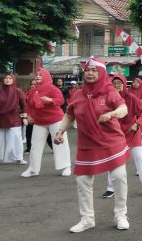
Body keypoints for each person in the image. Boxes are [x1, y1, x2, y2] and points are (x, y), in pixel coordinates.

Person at [54, 57, 131, 232]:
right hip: (87, 145)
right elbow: (69, 115)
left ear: (102, 73)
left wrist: (111, 114)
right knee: (82, 180)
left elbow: (123, 109)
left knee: (119, 177)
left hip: (111, 142)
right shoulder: (78, 94)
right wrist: (60, 131)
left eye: (94, 70)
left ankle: (121, 214)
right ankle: (87, 218)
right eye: (87, 70)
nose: (89, 73)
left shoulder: (110, 91)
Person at [102, 74, 142, 197]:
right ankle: (111, 188)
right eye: (114, 84)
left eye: (119, 83)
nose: (117, 86)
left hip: (132, 131)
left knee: (140, 158)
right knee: (114, 160)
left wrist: (137, 124)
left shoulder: (131, 97)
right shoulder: (108, 99)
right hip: (116, 133)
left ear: (124, 84)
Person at [21, 67, 72, 178]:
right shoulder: (33, 90)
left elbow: (61, 100)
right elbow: (29, 104)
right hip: (39, 121)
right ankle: (33, 169)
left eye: (40, 75)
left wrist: (50, 100)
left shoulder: (52, 88)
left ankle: (66, 166)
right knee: (35, 145)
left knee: (60, 142)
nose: (37, 76)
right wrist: (28, 115)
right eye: (36, 75)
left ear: (46, 76)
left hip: (55, 119)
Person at [0, 73, 27, 164]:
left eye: (10, 78)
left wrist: (25, 117)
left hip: (14, 118)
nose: (8, 80)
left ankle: (18, 157)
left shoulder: (18, 91)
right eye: (6, 78)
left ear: (13, 80)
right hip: (0, 118)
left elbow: (24, 105)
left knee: (16, 138)